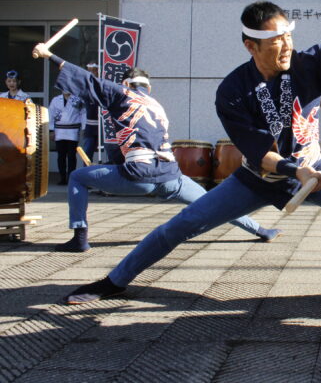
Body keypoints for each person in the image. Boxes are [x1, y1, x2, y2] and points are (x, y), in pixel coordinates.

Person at [60, 0, 321, 304]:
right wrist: (296, 172)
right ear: (251, 45)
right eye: (276, 41)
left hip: (315, 171)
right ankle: (113, 281)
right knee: (178, 227)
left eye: (288, 37)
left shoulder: (308, 65)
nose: (286, 47)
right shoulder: (232, 91)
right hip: (258, 179)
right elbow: (259, 151)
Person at [30, 47, 281, 252]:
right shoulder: (155, 105)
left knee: (76, 177)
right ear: (148, 87)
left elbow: (88, 81)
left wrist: (49, 55)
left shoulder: (122, 95)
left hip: (140, 174)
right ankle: (261, 230)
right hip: (171, 174)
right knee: (213, 202)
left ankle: (80, 238)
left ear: (126, 83)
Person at [48, 90, 86, 185]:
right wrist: (51, 130)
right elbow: (51, 115)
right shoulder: (56, 100)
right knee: (61, 156)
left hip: (73, 130)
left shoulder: (78, 100)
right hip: (59, 131)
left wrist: (84, 128)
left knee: (71, 155)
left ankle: (71, 177)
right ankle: (62, 177)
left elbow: (83, 114)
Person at [80, 62, 100, 163]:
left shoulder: (102, 85)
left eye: (94, 70)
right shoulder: (85, 87)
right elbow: (82, 109)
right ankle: (86, 172)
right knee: (87, 153)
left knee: (109, 152)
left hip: (103, 126)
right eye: (89, 70)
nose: (91, 72)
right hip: (90, 125)